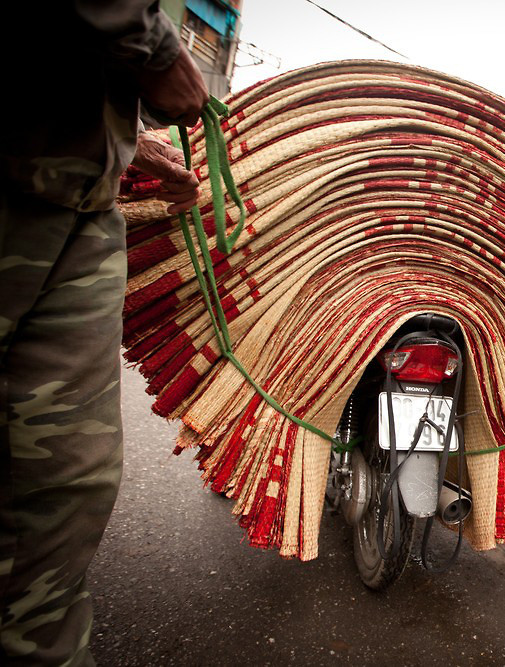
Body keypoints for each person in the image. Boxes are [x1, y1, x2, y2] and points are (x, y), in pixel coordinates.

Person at [1, 3, 208, 663]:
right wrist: (158, 51)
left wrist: (127, 143)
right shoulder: (148, 34)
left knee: (67, 484)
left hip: (81, 203)